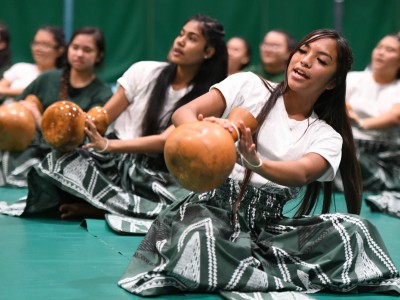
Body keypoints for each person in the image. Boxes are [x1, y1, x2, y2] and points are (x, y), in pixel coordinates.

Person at [117, 29, 400, 297]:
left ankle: (247, 267)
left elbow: (301, 173)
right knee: (200, 235)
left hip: (269, 229)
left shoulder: (326, 135)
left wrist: (257, 163)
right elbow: (185, 113)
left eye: (321, 60)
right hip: (211, 212)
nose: (305, 61)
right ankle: (254, 269)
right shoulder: (249, 85)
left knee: (356, 231)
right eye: (303, 51)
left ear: (332, 82)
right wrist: (207, 132)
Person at [0, 14, 228, 232]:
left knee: (188, 204)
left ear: (208, 52)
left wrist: (108, 146)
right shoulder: (144, 71)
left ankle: (96, 206)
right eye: (181, 34)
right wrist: (72, 127)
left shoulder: (207, 95)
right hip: (113, 161)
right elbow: (103, 116)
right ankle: (103, 203)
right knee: (57, 162)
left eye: (192, 39)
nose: (180, 41)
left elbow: (162, 141)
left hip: (153, 173)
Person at [0, 26, 113, 187]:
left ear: (99, 55)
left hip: (71, 157)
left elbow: (84, 139)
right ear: (68, 50)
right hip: (31, 150)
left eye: (87, 50)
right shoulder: (47, 78)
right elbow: (18, 107)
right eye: (75, 48)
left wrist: (40, 122)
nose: (79, 54)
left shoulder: (102, 93)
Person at [344, 32, 400, 218]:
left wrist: (360, 122)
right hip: (353, 148)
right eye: (379, 47)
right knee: (343, 151)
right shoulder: (352, 79)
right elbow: (343, 108)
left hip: (389, 154)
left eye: (390, 50)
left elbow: (395, 116)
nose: (381, 53)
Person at [0, 26, 66, 103]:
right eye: (36, 43)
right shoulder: (19, 68)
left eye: (45, 45)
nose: (38, 49)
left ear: (60, 51)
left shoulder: (60, 78)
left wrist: (7, 92)